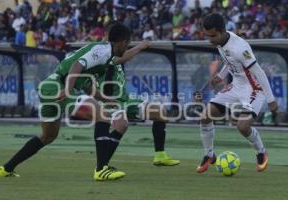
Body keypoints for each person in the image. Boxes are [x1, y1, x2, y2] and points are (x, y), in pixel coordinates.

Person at [0, 23, 148, 181]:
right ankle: (101, 169)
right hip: (57, 88)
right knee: (102, 115)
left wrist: (105, 98)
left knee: (48, 136)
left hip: (50, 89)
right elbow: (76, 65)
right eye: (127, 43)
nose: (127, 46)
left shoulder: (105, 56)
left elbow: (87, 85)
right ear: (122, 41)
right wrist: (68, 89)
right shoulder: (103, 50)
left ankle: (6, 168)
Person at [196, 13, 278, 173]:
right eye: (207, 36)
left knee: (242, 126)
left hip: (254, 88)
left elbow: (259, 72)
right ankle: (209, 155)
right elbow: (230, 61)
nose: (210, 40)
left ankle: (261, 151)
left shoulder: (240, 47)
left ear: (221, 31)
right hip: (236, 86)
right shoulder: (221, 41)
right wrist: (220, 76)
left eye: (212, 36)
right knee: (205, 117)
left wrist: (271, 99)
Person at [92, 62, 180, 166]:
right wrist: (140, 46)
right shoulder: (107, 55)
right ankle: (102, 166)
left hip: (126, 100)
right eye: (125, 44)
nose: (126, 46)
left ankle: (160, 156)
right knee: (121, 126)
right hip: (108, 101)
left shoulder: (115, 54)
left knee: (159, 111)